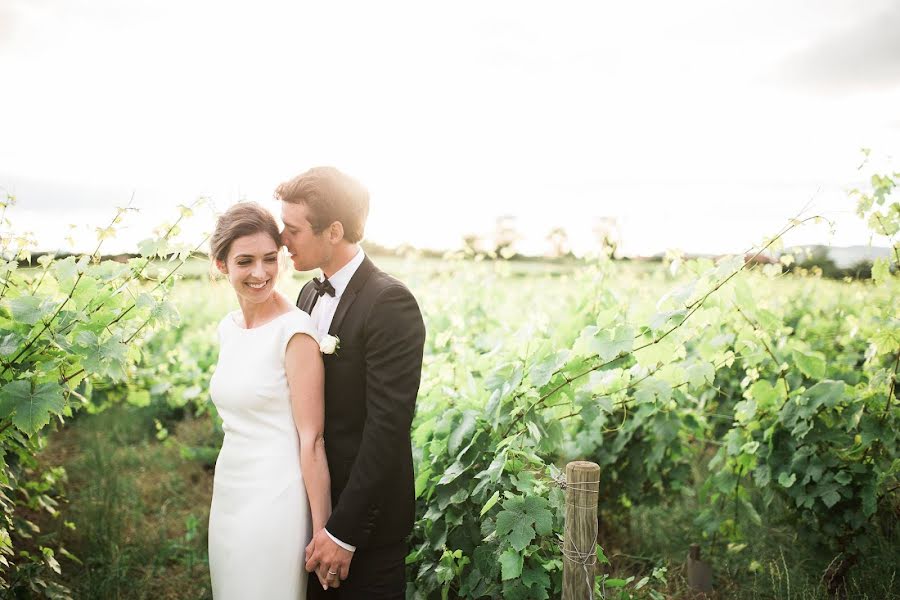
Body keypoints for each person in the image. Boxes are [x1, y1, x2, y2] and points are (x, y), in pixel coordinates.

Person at [276, 167, 426, 599]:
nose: (283, 239)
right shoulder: (307, 295)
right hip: (308, 515)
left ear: (334, 231)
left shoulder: (389, 303)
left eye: (293, 229)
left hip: (365, 530)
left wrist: (342, 533)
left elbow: (387, 429)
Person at [207, 202, 331, 599]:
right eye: (245, 261)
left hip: (276, 498)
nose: (259, 273)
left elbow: (312, 439)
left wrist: (322, 531)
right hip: (229, 490)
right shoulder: (228, 328)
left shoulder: (295, 332)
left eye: (269, 259)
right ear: (221, 264)